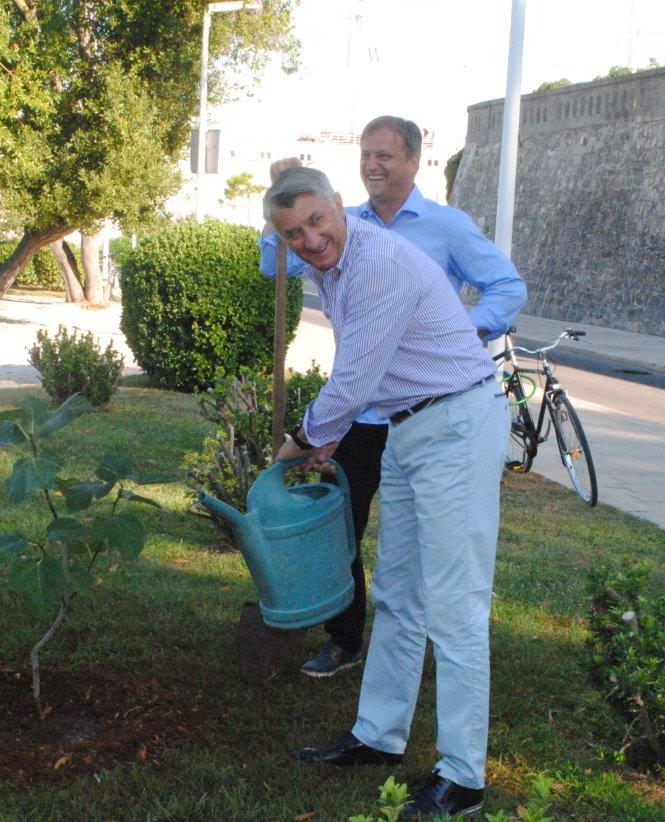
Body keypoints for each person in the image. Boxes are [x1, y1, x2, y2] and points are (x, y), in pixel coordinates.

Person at [266, 166, 508, 819]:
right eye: (293, 233)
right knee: (400, 595)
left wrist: (294, 445)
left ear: (339, 206)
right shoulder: (331, 269)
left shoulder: (378, 266)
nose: (310, 239)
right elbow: (366, 377)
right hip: (408, 427)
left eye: (317, 221)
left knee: (454, 604)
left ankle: (463, 779)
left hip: (457, 423)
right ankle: (378, 736)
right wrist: (330, 436)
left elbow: (350, 382)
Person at [260, 115, 524, 678]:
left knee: (439, 568)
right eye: (365, 154)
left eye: (385, 155)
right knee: (346, 527)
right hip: (370, 410)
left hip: (434, 407)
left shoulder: (444, 227)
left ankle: (442, 677)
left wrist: (461, 331)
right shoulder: (335, 225)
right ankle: (345, 640)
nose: (373, 164)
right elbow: (272, 263)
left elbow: (508, 286)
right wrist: (279, 208)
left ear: (412, 160)